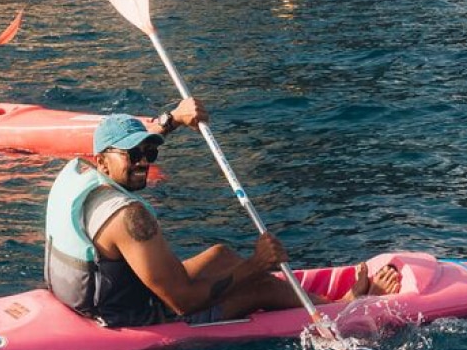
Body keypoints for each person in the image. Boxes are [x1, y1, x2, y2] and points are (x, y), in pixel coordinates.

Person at [43, 104, 399, 327]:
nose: (143, 163)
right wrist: (256, 266)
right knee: (255, 286)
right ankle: (346, 312)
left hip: (90, 299)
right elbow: (182, 303)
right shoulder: (130, 217)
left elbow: (137, 143)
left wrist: (173, 120)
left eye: (149, 152)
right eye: (132, 155)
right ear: (102, 160)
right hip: (128, 317)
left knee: (221, 255)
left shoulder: (81, 175)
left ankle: (330, 303)